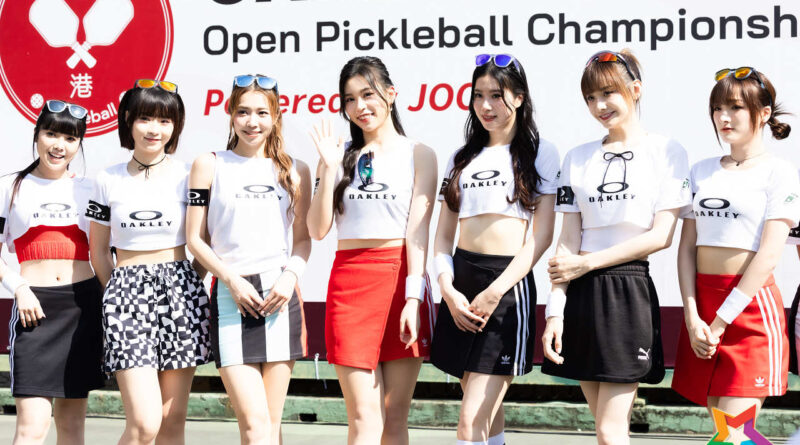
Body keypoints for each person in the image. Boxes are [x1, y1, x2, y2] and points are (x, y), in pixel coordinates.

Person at [541, 50, 691, 445]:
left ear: (635, 90)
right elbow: (567, 241)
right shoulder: (577, 157)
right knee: (607, 428)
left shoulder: (666, 150)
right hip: (580, 295)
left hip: (627, 291)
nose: (599, 106)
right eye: (590, 97)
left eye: (608, 93)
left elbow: (661, 236)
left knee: (609, 431)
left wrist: (587, 264)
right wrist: (555, 312)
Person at [307, 56, 437, 445]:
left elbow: (418, 233)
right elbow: (317, 229)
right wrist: (328, 168)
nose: (360, 106)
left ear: (391, 94)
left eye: (368, 94)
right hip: (349, 285)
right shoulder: (337, 153)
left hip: (400, 282)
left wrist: (413, 298)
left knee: (394, 420)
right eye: (350, 99)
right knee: (364, 420)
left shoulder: (420, 153)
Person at [430, 53, 558, 445]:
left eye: (497, 95)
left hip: (506, 288)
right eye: (478, 95)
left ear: (519, 98)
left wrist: (495, 290)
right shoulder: (461, 158)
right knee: (484, 409)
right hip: (461, 285)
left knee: (470, 420)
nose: (486, 106)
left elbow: (541, 237)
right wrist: (448, 290)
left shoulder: (540, 152)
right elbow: (443, 236)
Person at [186, 74, 312, 445]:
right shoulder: (208, 165)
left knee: (268, 428)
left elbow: (303, 241)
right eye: (243, 112)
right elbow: (194, 239)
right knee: (256, 427)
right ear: (230, 113)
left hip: (280, 299)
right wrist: (231, 280)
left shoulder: (296, 170)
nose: (251, 121)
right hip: (231, 298)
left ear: (276, 116)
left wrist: (289, 277)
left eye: (261, 112)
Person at [87, 80, 211, 445]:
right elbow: (99, 252)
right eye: (145, 118)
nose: (154, 129)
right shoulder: (107, 178)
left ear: (175, 126)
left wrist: (188, 281)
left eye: (164, 121)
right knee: (144, 424)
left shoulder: (189, 175)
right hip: (125, 296)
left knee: (172, 423)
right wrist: (118, 292)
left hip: (182, 294)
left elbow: (203, 239)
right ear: (128, 120)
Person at [672, 67, 797, 426]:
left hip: (750, 309)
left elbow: (769, 255)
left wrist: (720, 321)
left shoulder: (779, 172)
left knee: (732, 433)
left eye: (735, 108)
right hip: (703, 308)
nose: (723, 117)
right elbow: (687, 248)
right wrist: (692, 316)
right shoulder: (701, 170)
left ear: (764, 113)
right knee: (726, 431)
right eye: (717, 108)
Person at [1, 100, 102, 445]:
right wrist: (19, 287)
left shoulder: (90, 188)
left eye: (70, 138)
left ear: (79, 144)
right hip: (34, 310)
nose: (59, 145)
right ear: (37, 135)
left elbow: (106, 251)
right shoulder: (9, 186)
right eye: (51, 134)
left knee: (72, 427)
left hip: (83, 307)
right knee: (32, 428)